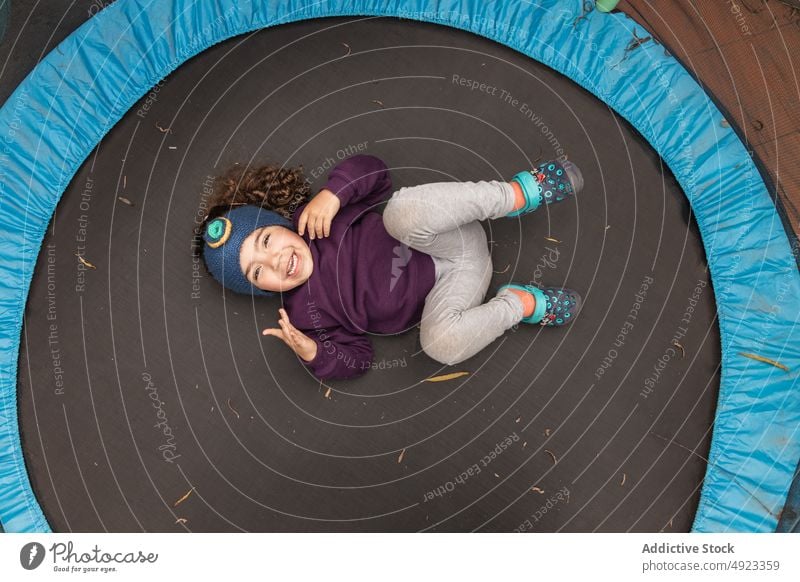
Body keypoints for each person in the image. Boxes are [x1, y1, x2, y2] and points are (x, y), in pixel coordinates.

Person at [198, 154, 583, 380]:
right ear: (260, 289)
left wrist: (334, 194)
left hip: (451, 236)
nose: (275, 260)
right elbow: (358, 359)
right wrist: (314, 352)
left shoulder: (315, 218)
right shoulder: (304, 313)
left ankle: (516, 194)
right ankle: (520, 304)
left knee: (399, 214)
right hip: (455, 287)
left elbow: (376, 174)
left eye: (265, 242)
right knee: (438, 346)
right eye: (257, 272)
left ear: (276, 223)